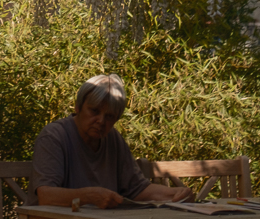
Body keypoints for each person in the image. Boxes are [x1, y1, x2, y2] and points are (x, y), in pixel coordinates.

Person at [32, 75, 194, 207]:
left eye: (109, 116)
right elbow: (46, 196)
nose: (101, 121)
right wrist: (88, 196)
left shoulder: (113, 139)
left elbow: (137, 189)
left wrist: (175, 194)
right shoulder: (54, 136)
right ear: (78, 107)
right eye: (94, 111)